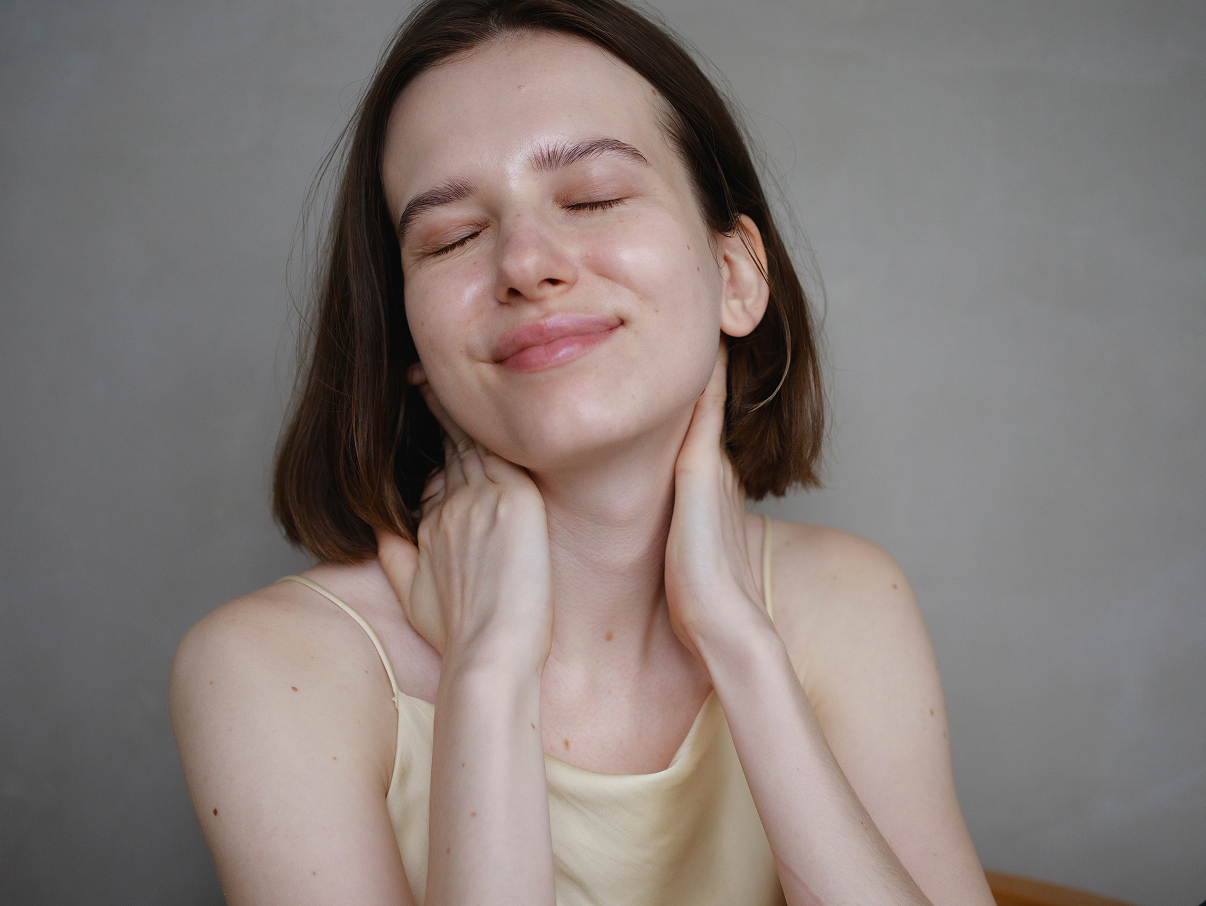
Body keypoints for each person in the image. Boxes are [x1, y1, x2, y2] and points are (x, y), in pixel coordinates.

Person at [169, 1, 998, 903]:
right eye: (452, 237)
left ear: (735, 274)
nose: (525, 263)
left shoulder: (848, 600)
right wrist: (489, 667)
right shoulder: (268, 668)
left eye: (594, 197)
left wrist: (739, 643)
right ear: (410, 341)